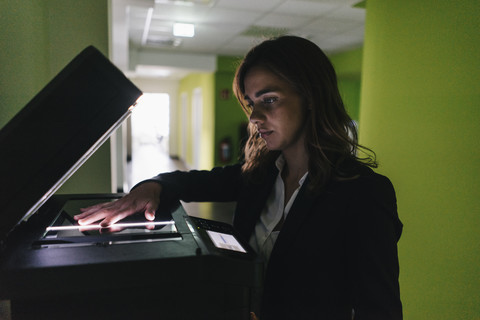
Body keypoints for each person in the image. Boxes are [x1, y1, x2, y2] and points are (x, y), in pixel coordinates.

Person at [74, 36, 403, 319]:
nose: (256, 117)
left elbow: (380, 310)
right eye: (250, 103)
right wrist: (151, 186)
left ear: (312, 97)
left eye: (269, 100)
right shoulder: (259, 174)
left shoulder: (364, 193)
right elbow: (191, 181)